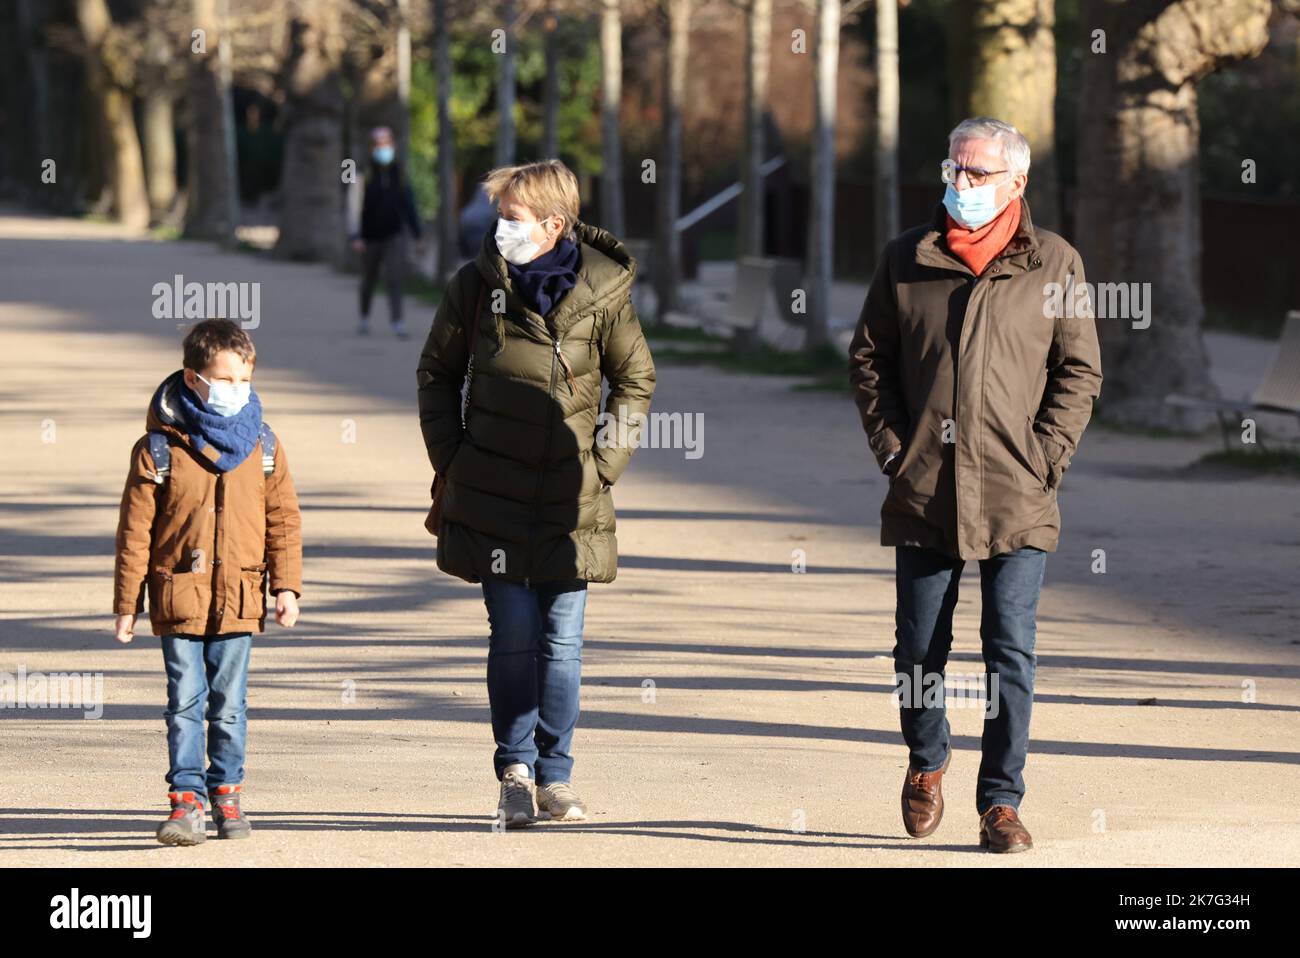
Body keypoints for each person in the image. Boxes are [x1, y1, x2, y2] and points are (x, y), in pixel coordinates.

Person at [848, 117, 1102, 852]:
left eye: (977, 173)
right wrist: (896, 450)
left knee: (1009, 648)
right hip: (924, 486)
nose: (960, 184)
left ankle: (1001, 802)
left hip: (1017, 491)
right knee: (918, 648)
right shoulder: (907, 258)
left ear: (1016, 182)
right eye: (953, 169)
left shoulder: (1054, 263)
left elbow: (1079, 370)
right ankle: (927, 761)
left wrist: (1046, 454)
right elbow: (869, 360)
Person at [417, 159, 656, 828]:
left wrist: (604, 465)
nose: (501, 229)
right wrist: (454, 460)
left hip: (570, 500)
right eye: (500, 216)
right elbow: (436, 375)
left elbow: (636, 381)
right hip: (491, 493)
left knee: (562, 642)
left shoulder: (606, 291)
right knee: (515, 637)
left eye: (514, 219)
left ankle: (557, 775)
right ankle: (514, 771)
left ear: (554, 225)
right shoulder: (474, 287)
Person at [113, 318, 303, 845]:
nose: (236, 392)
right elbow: (135, 532)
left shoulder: (263, 445)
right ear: (193, 379)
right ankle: (186, 802)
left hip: (240, 597)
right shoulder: (158, 448)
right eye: (225, 381)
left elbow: (283, 520)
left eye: (244, 381)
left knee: (230, 701)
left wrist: (285, 586)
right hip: (178, 594)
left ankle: (227, 795)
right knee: (184, 699)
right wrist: (127, 602)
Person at [347, 126, 423, 338]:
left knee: (395, 277)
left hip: (394, 234)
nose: (383, 149)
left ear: (393, 145)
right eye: (379, 145)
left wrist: (417, 235)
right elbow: (353, 204)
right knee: (369, 278)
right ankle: (364, 316)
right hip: (369, 236)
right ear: (372, 148)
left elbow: (409, 204)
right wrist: (355, 235)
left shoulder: (400, 172)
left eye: (387, 144)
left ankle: (398, 321)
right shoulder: (362, 172)